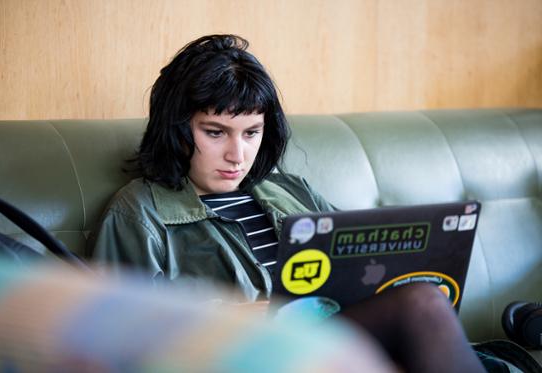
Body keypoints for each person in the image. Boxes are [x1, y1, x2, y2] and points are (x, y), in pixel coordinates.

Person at [89, 34, 487, 372]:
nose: (237, 155)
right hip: (247, 360)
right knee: (420, 304)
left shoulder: (289, 190)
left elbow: (356, 271)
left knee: (421, 298)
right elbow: (118, 341)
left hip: (330, 348)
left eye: (251, 133)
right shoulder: (139, 214)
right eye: (215, 133)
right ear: (176, 129)